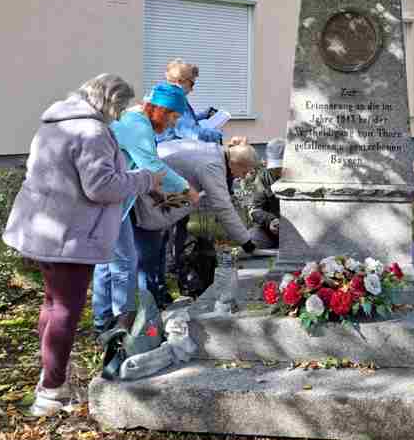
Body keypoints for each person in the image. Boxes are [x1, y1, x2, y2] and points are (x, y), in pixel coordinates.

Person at [2, 74, 161, 417]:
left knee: (52, 303)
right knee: (65, 308)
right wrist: (145, 179)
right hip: (69, 234)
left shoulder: (54, 123)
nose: (119, 115)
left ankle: (49, 376)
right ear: (111, 101)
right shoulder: (92, 131)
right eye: (120, 108)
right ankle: (51, 391)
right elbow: (101, 187)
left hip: (42, 229)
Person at [96, 83, 199, 317]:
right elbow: (152, 166)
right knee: (125, 262)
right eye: (173, 117)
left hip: (108, 198)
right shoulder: (138, 126)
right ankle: (123, 324)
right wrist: (187, 189)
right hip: (107, 201)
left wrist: (158, 194)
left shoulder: (134, 119)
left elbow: (137, 165)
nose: (173, 124)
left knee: (107, 263)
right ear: (159, 110)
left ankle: (104, 320)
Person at [158, 137, 264, 275]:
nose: (243, 177)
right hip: (152, 188)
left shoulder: (215, 152)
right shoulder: (213, 166)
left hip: (161, 182)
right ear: (234, 163)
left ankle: (169, 271)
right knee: (155, 242)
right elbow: (223, 208)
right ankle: (160, 277)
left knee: (167, 235)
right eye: (244, 172)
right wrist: (247, 243)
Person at [156, 59, 224, 144]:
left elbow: (184, 121)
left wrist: (203, 115)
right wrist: (218, 134)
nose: (192, 89)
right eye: (191, 84)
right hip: (172, 147)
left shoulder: (166, 95)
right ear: (180, 81)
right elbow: (194, 133)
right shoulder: (174, 101)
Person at [247, 138, 285, 250]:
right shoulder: (262, 178)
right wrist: (270, 220)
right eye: (275, 167)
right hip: (269, 230)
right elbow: (254, 210)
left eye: (281, 166)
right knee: (249, 241)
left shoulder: (299, 176)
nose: (278, 170)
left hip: (296, 231)